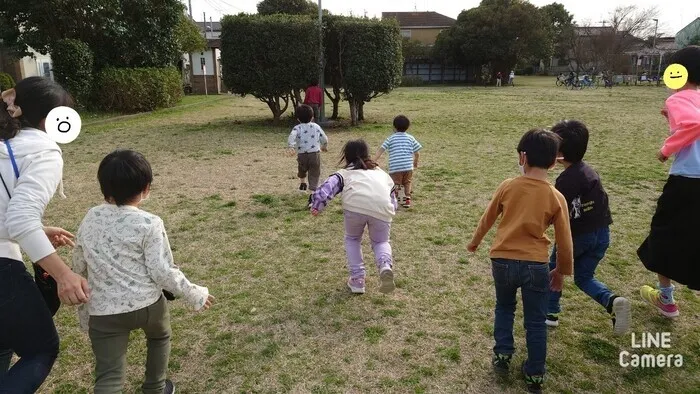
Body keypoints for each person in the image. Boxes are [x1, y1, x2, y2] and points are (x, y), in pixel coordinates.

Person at [72, 149, 214, 394]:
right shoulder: (150, 223)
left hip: (104, 312)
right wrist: (194, 294)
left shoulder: (91, 217)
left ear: (104, 188)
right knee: (159, 338)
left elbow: (78, 263)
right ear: (146, 187)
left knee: (109, 377)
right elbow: (162, 271)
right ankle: (155, 387)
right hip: (148, 305)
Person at [0, 77, 90, 392]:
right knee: (40, 347)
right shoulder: (43, 152)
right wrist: (64, 275)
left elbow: (11, 216)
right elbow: (21, 219)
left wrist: (37, 230)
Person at [467, 129, 573, 394]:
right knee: (536, 321)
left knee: (504, 307)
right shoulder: (555, 196)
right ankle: (535, 372)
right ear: (553, 162)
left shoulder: (508, 186)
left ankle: (502, 354)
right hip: (536, 265)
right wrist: (560, 271)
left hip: (501, 260)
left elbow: (487, 218)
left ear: (522, 157)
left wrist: (475, 242)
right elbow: (565, 240)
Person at [545, 120, 631, 335]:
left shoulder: (565, 181)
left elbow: (559, 213)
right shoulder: (590, 172)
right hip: (602, 235)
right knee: (584, 277)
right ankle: (612, 301)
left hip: (575, 238)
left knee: (555, 270)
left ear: (560, 154)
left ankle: (550, 312)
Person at [638, 45, 700, 318]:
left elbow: (694, 125)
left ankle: (666, 299)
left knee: (663, 235)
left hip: (687, 181)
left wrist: (666, 149)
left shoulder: (678, 99)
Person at [310, 140, 397, 295]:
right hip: (382, 208)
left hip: (355, 206)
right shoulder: (382, 173)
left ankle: (357, 280)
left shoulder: (345, 173)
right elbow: (393, 196)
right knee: (381, 241)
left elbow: (329, 186)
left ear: (347, 156)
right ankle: (385, 265)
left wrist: (318, 204)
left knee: (353, 239)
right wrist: (390, 210)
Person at [374, 115, 422, 208]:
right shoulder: (411, 138)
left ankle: (394, 200)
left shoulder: (390, 138)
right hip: (408, 167)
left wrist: (374, 160)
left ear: (394, 127)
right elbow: (417, 153)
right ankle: (407, 199)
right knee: (407, 182)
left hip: (395, 167)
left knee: (395, 184)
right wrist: (415, 162)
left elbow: (381, 150)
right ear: (407, 127)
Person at [287, 104, 328, 194]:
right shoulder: (316, 126)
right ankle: (313, 190)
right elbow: (324, 137)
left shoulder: (297, 128)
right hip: (315, 154)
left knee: (302, 169)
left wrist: (291, 146)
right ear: (312, 117)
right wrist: (324, 146)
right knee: (314, 172)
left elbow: (292, 136)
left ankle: (303, 183)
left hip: (302, 154)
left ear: (298, 119)